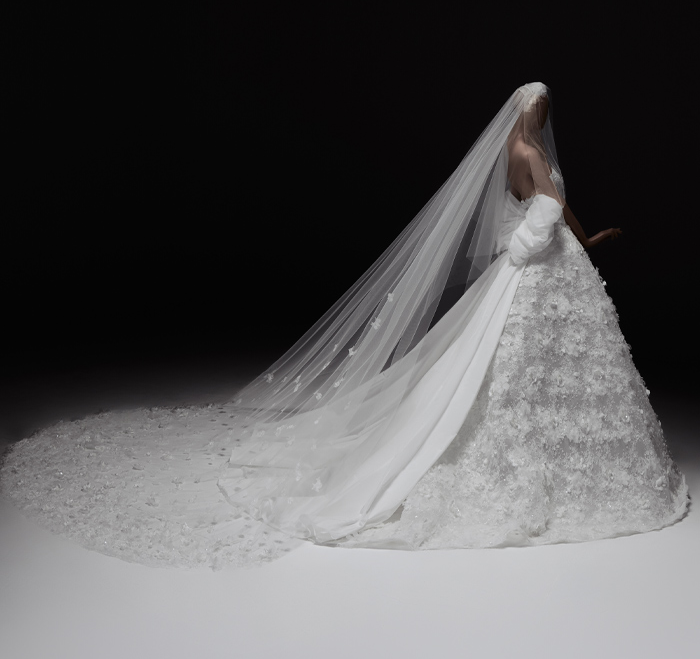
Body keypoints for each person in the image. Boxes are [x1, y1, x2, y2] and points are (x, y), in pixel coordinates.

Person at [0, 84, 688, 566]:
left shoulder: (515, 150)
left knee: (514, 372)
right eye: (543, 108)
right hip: (538, 270)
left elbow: (550, 206)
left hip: (540, 266)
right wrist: (560, 241)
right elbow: (545, 212)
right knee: (513, 372)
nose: (545, 115)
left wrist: (584, 237)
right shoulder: (530, 152)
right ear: (534, 110)